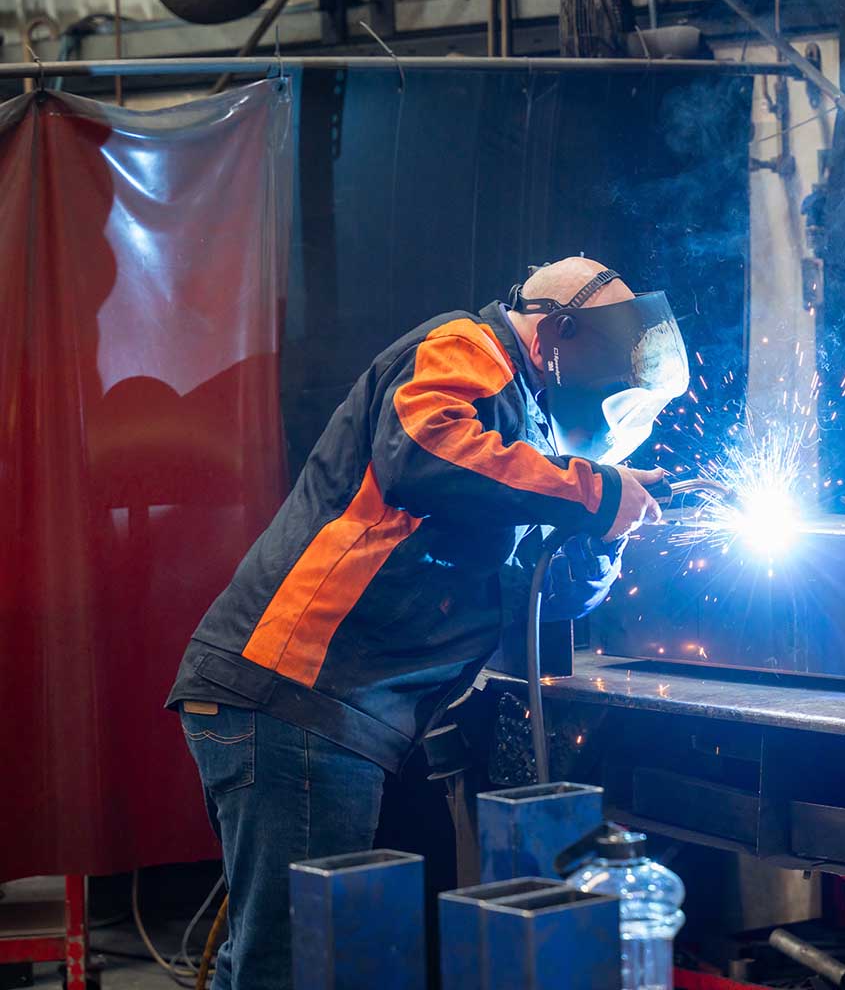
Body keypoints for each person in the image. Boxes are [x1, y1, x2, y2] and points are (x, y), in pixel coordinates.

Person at [166, 256, 691, 989]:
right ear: (559, 336)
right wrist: (593, 491)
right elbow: (421, 451)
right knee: (295, 967)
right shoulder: (466, 348)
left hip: (364, 721)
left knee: (365, 949)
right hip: (297, 695)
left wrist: (607, 534)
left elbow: (547, 592)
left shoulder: (530, 444)